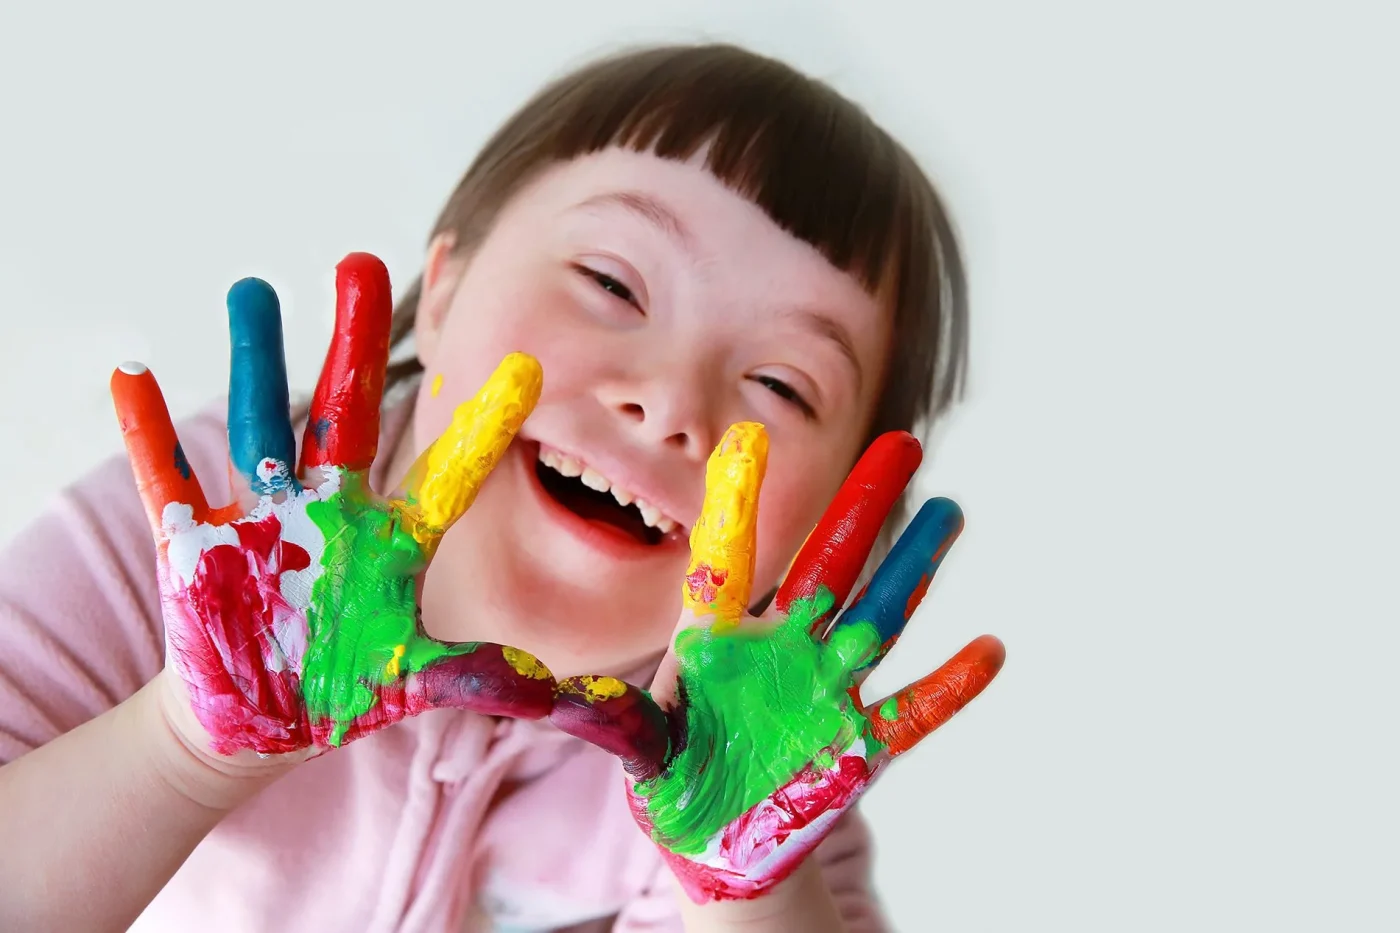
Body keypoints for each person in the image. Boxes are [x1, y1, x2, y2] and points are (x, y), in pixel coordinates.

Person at [0, 42, 1003, 932]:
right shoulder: (210, 547)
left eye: (781, 385)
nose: (666, 403)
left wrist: (744, 898)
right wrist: (184, 747)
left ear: (832, 523)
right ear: (441, 290)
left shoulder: (754, 751)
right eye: (613, 285)